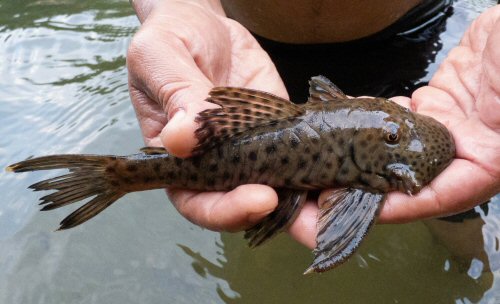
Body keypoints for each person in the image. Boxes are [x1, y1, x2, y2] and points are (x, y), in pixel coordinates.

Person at [127, 0, 500, 249]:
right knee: (253, 211)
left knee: (458, 213)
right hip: (237, 48)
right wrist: (179, 6)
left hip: (412, 35)